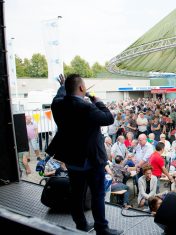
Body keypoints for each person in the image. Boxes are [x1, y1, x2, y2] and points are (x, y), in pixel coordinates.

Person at [49, 74, 120, 234]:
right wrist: (96, 99)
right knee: (97, 194)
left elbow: (61, 94)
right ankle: (102, 228)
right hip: (92, 159)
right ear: (82, 88)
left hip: (72, 159)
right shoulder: (87, 107)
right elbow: (108, 118)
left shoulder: (58, 104)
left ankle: (81, 225)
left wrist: (62, 85)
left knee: (76, 194)